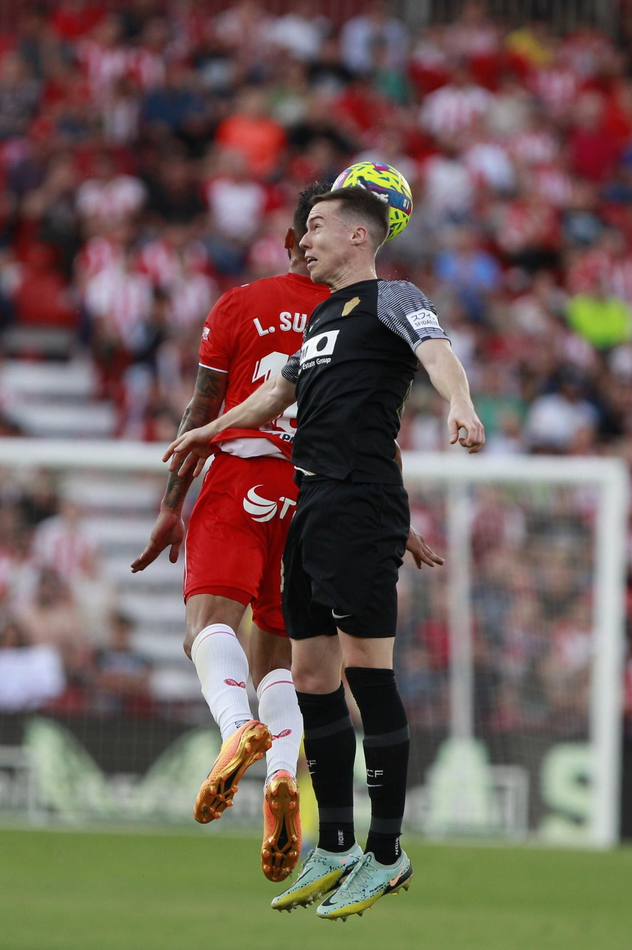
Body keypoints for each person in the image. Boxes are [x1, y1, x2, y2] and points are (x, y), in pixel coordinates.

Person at [165, 185, 484, 919]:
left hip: (362, 502)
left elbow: (438, 355)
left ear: (358, 238)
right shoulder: (318, 318)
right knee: (310, 676)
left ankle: (387, 851)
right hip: (311, 507)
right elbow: (273, 396)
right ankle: (336, 843)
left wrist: (461, 405)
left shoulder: (395, 297)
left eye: (316, 226)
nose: (305, 239)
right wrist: (206, 433)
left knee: (368, 677)